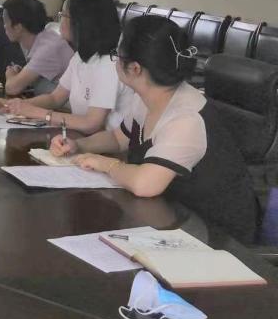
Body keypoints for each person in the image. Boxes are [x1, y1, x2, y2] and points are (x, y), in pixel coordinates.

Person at [49, 15, 258, 243]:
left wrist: (106, 164)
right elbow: (118, 138)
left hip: (217, 238)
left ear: (135, 68)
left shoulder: (185, 118)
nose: (115, 60)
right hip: (170, 217)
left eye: (117, 54)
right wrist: (78, 145)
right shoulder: (149, 96)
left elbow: (145, 184)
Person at [0, 0, 134, 134]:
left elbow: (91, 123)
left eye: (63, 15)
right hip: (83, 137)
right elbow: (55, 98)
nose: (59, 20)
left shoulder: (110, 64)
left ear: (80, 22)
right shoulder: (80, 57)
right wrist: (15, 105)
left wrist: (37, 113)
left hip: (107, 144)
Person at [1, 0, 73, 96]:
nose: (4, 26)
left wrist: (10, 74)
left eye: (5, 22)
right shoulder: (42, 36)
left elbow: (12, 88)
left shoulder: (48, 48)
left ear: (18, 27)